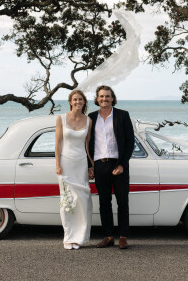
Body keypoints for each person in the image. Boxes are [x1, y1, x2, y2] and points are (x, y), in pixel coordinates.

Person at [87, 85, 135, 249]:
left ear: (112, 98)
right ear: (97, 99)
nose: (104, 99)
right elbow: (87, 143)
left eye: (107, 96)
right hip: (100, 165)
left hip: (118, 164)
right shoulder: (91, 117)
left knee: (122, 202)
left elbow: (130, 142)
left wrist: (122, 164)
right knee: (104, 202)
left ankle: (123, 237)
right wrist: (90, 166)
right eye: (101, 96)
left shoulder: (122, 115)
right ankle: (108, 236)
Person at [55, 89, 93, 250]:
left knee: (82, 200)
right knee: (67, 201)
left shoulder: (89, 120)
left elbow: (87, 145)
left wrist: (91, 165)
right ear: (70, 102)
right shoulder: (61, 119)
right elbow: (58, 144)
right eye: (75, 99)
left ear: (84, 102)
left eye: (80, 99)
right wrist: (58, 165)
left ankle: (80, 237)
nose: (78, 102)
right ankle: (68, 237)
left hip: (81, 164)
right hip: (66, 163)